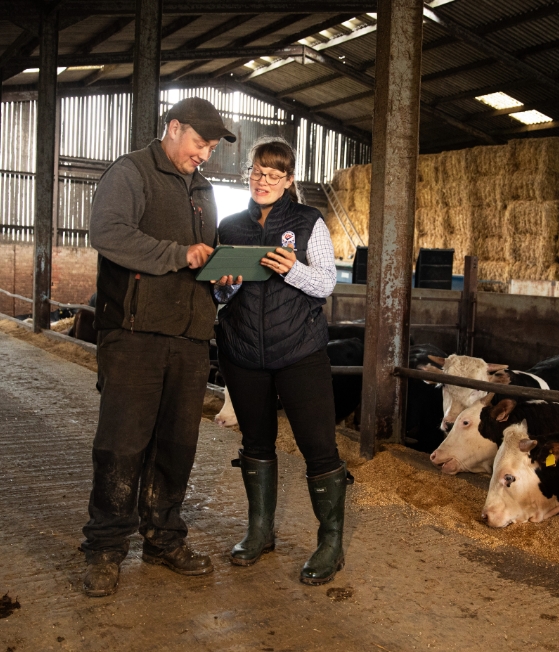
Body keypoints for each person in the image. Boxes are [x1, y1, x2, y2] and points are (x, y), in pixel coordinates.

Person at [82, 97, 236, 597]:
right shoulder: (131, 172)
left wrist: (219, 274)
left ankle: (163, 537)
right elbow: (107, 232)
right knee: (122, 444)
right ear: (173, 128)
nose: (205, 156)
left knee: (177, 445)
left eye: (211, 148)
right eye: (199, 144)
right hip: (134, 333)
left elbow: (198, 261)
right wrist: (179, 253)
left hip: (190, 337)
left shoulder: (205, 191)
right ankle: (105, 548)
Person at [214, 137, 350, 586]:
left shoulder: (310, 220)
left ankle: (330, 542)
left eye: (274, 174)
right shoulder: (231, 225)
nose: (263, 181)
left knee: (318, 446)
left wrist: (291, 268)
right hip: (243, 352)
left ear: (289, 180)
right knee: (255, 443)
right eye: (257, 172)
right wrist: (224, 285)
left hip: (299, 352)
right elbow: (218, 291)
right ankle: (259, 532)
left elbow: (326, 283)